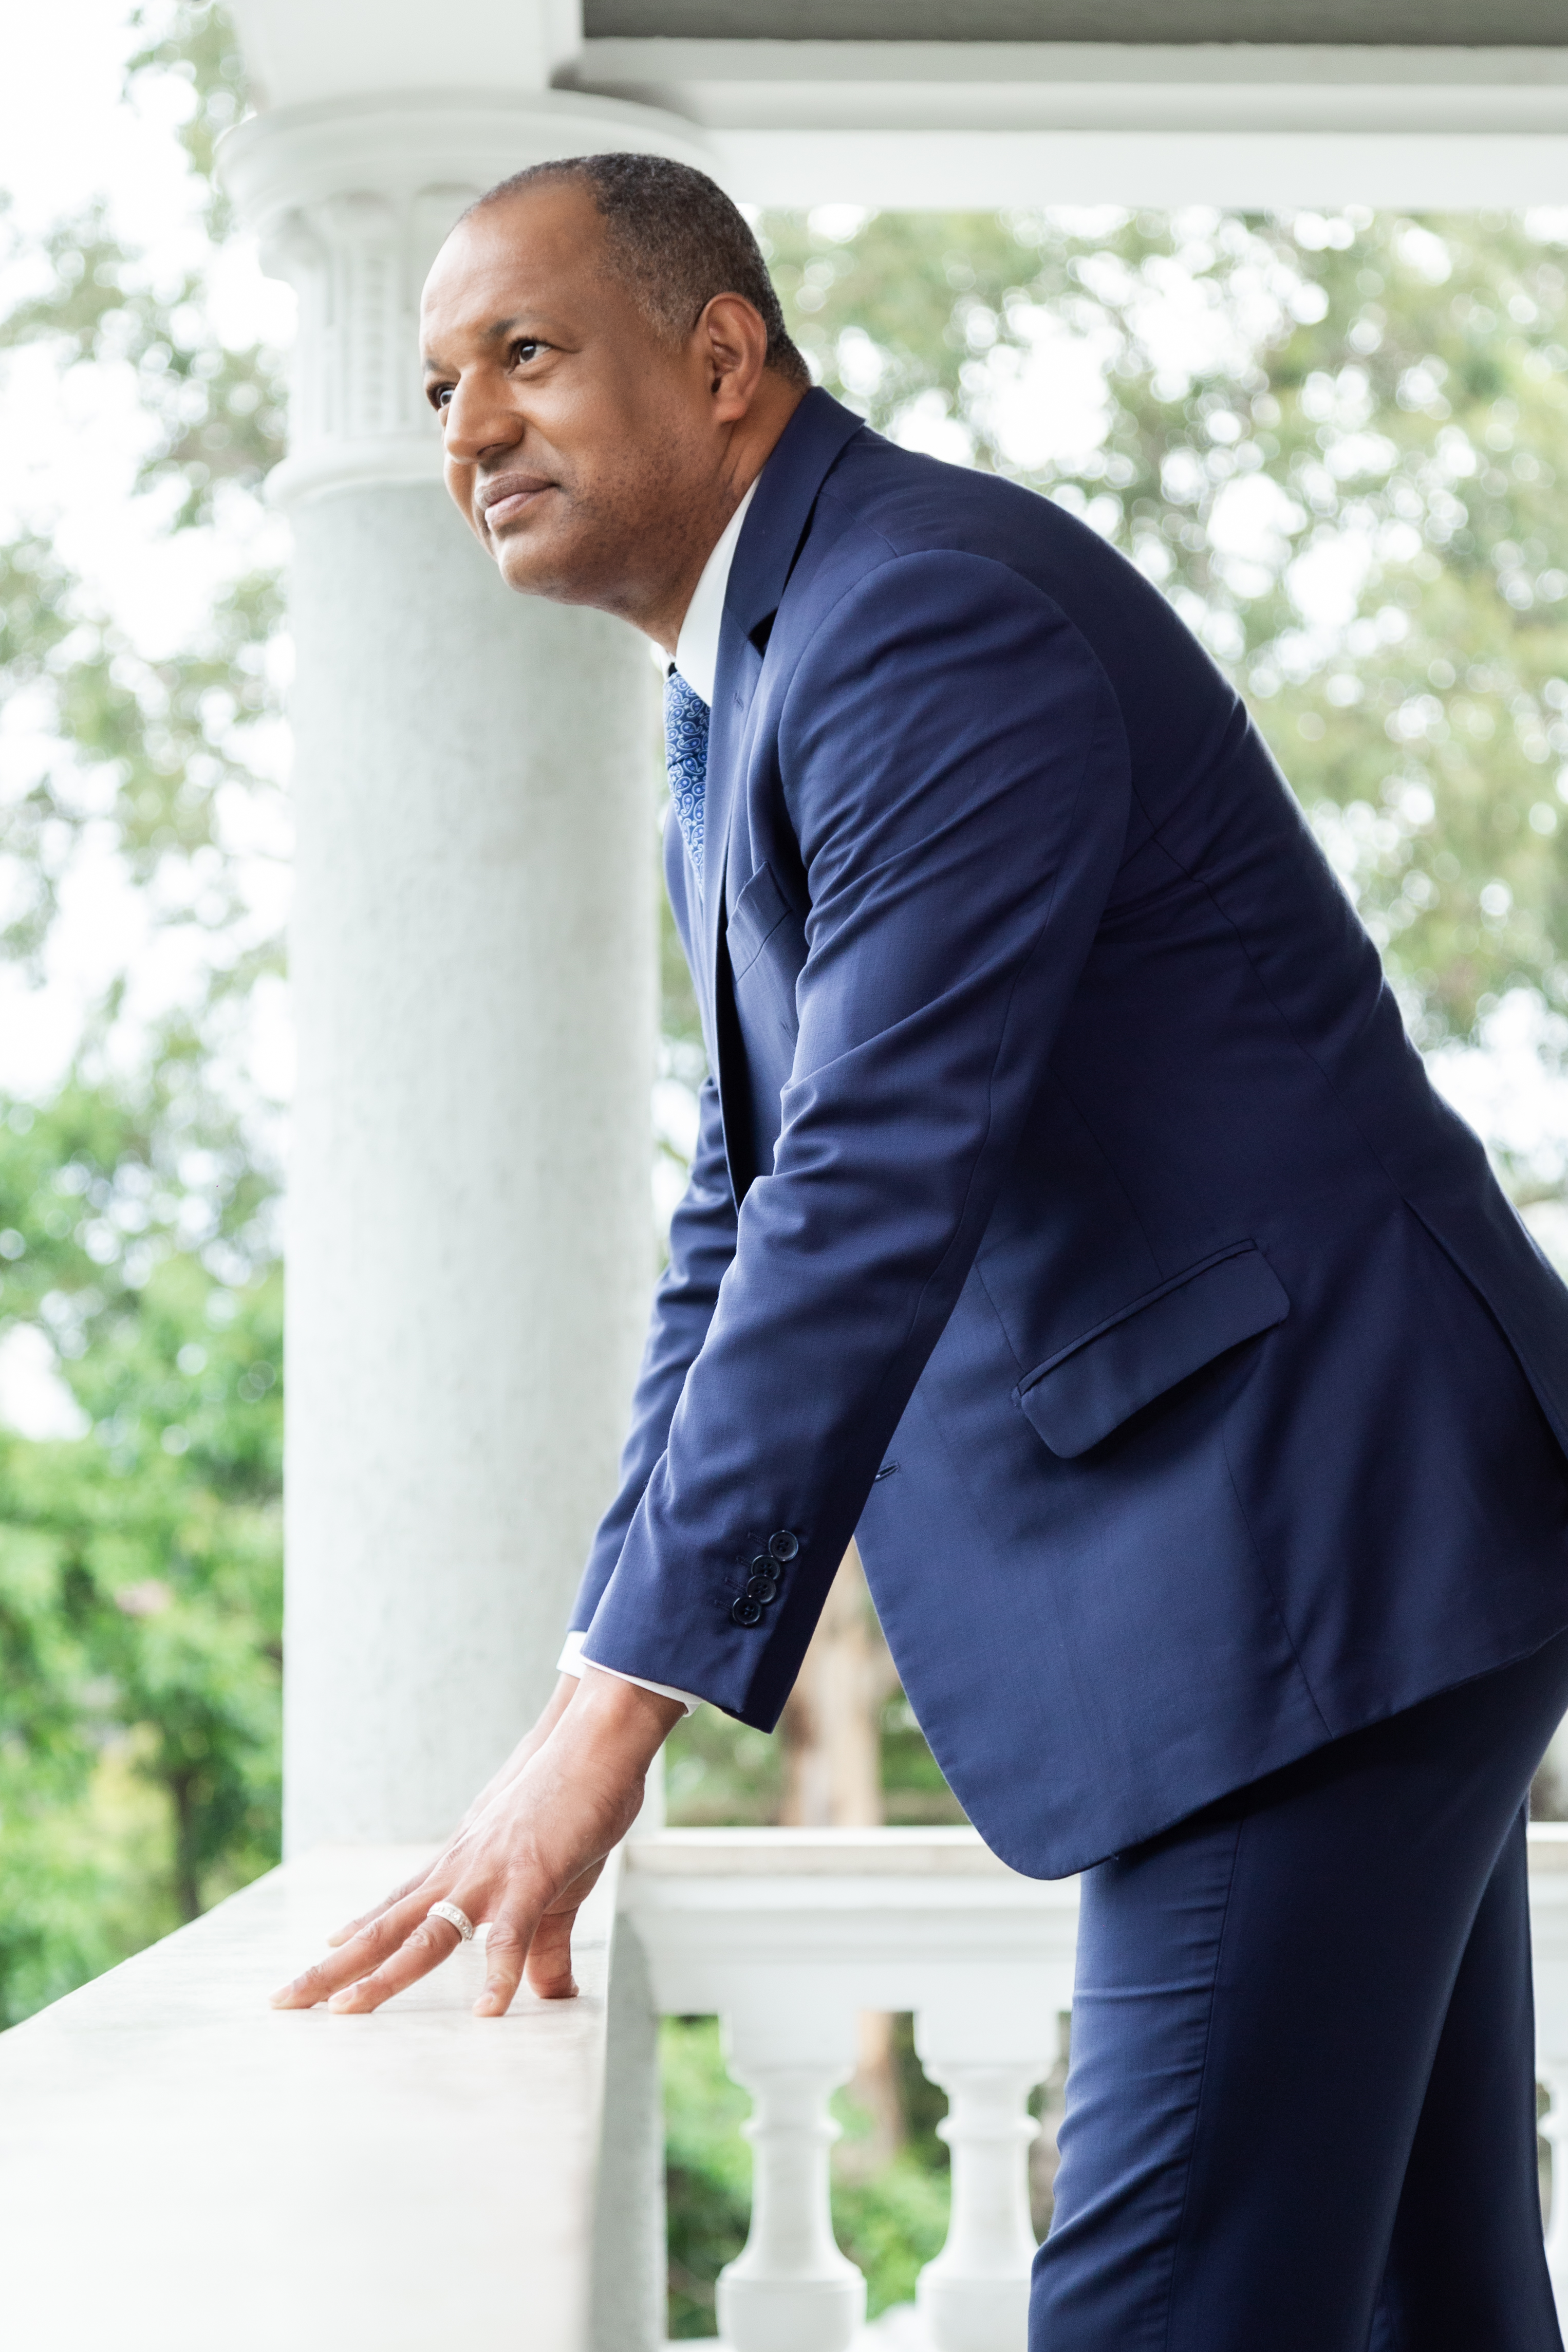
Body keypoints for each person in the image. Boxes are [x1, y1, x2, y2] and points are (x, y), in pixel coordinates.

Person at [272, 155, 1568, 2350]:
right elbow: (746, 1199)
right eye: (430, 386)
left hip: (1300, 1548)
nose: (466, 427)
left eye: (523, 353)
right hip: (1337, 1547)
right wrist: (601, 1656)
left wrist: (610, 1739)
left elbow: (869, 1180)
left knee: (1158, 2308)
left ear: (718, 351)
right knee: (1436, 2309)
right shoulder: (749, 684)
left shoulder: (919, 612)